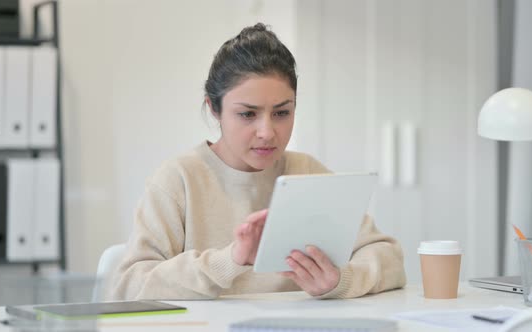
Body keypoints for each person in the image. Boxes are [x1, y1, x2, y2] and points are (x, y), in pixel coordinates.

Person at [109, 23, 406, 300]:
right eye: (248, 114)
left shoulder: (307, 173)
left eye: (281, 113)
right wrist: (231, 260)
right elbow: (127, 287)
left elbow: (388, 258)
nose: (267, 133)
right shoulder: (179, 179)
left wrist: (341, 280)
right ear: (214, 108)